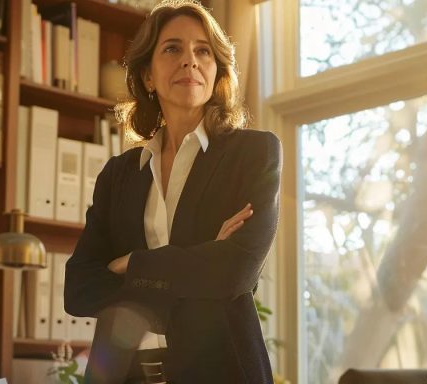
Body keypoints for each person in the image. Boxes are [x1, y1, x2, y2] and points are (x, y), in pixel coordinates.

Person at [64, 1, 280, 382]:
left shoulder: (254, 153)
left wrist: (130, 264)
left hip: (221, 370)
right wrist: (200, 260)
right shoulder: (118, 175)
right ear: (148, 76)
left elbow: (235, 271)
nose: (189, 61)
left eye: (203, 51)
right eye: (172, 48)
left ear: (217, 71)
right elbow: (79, 287)